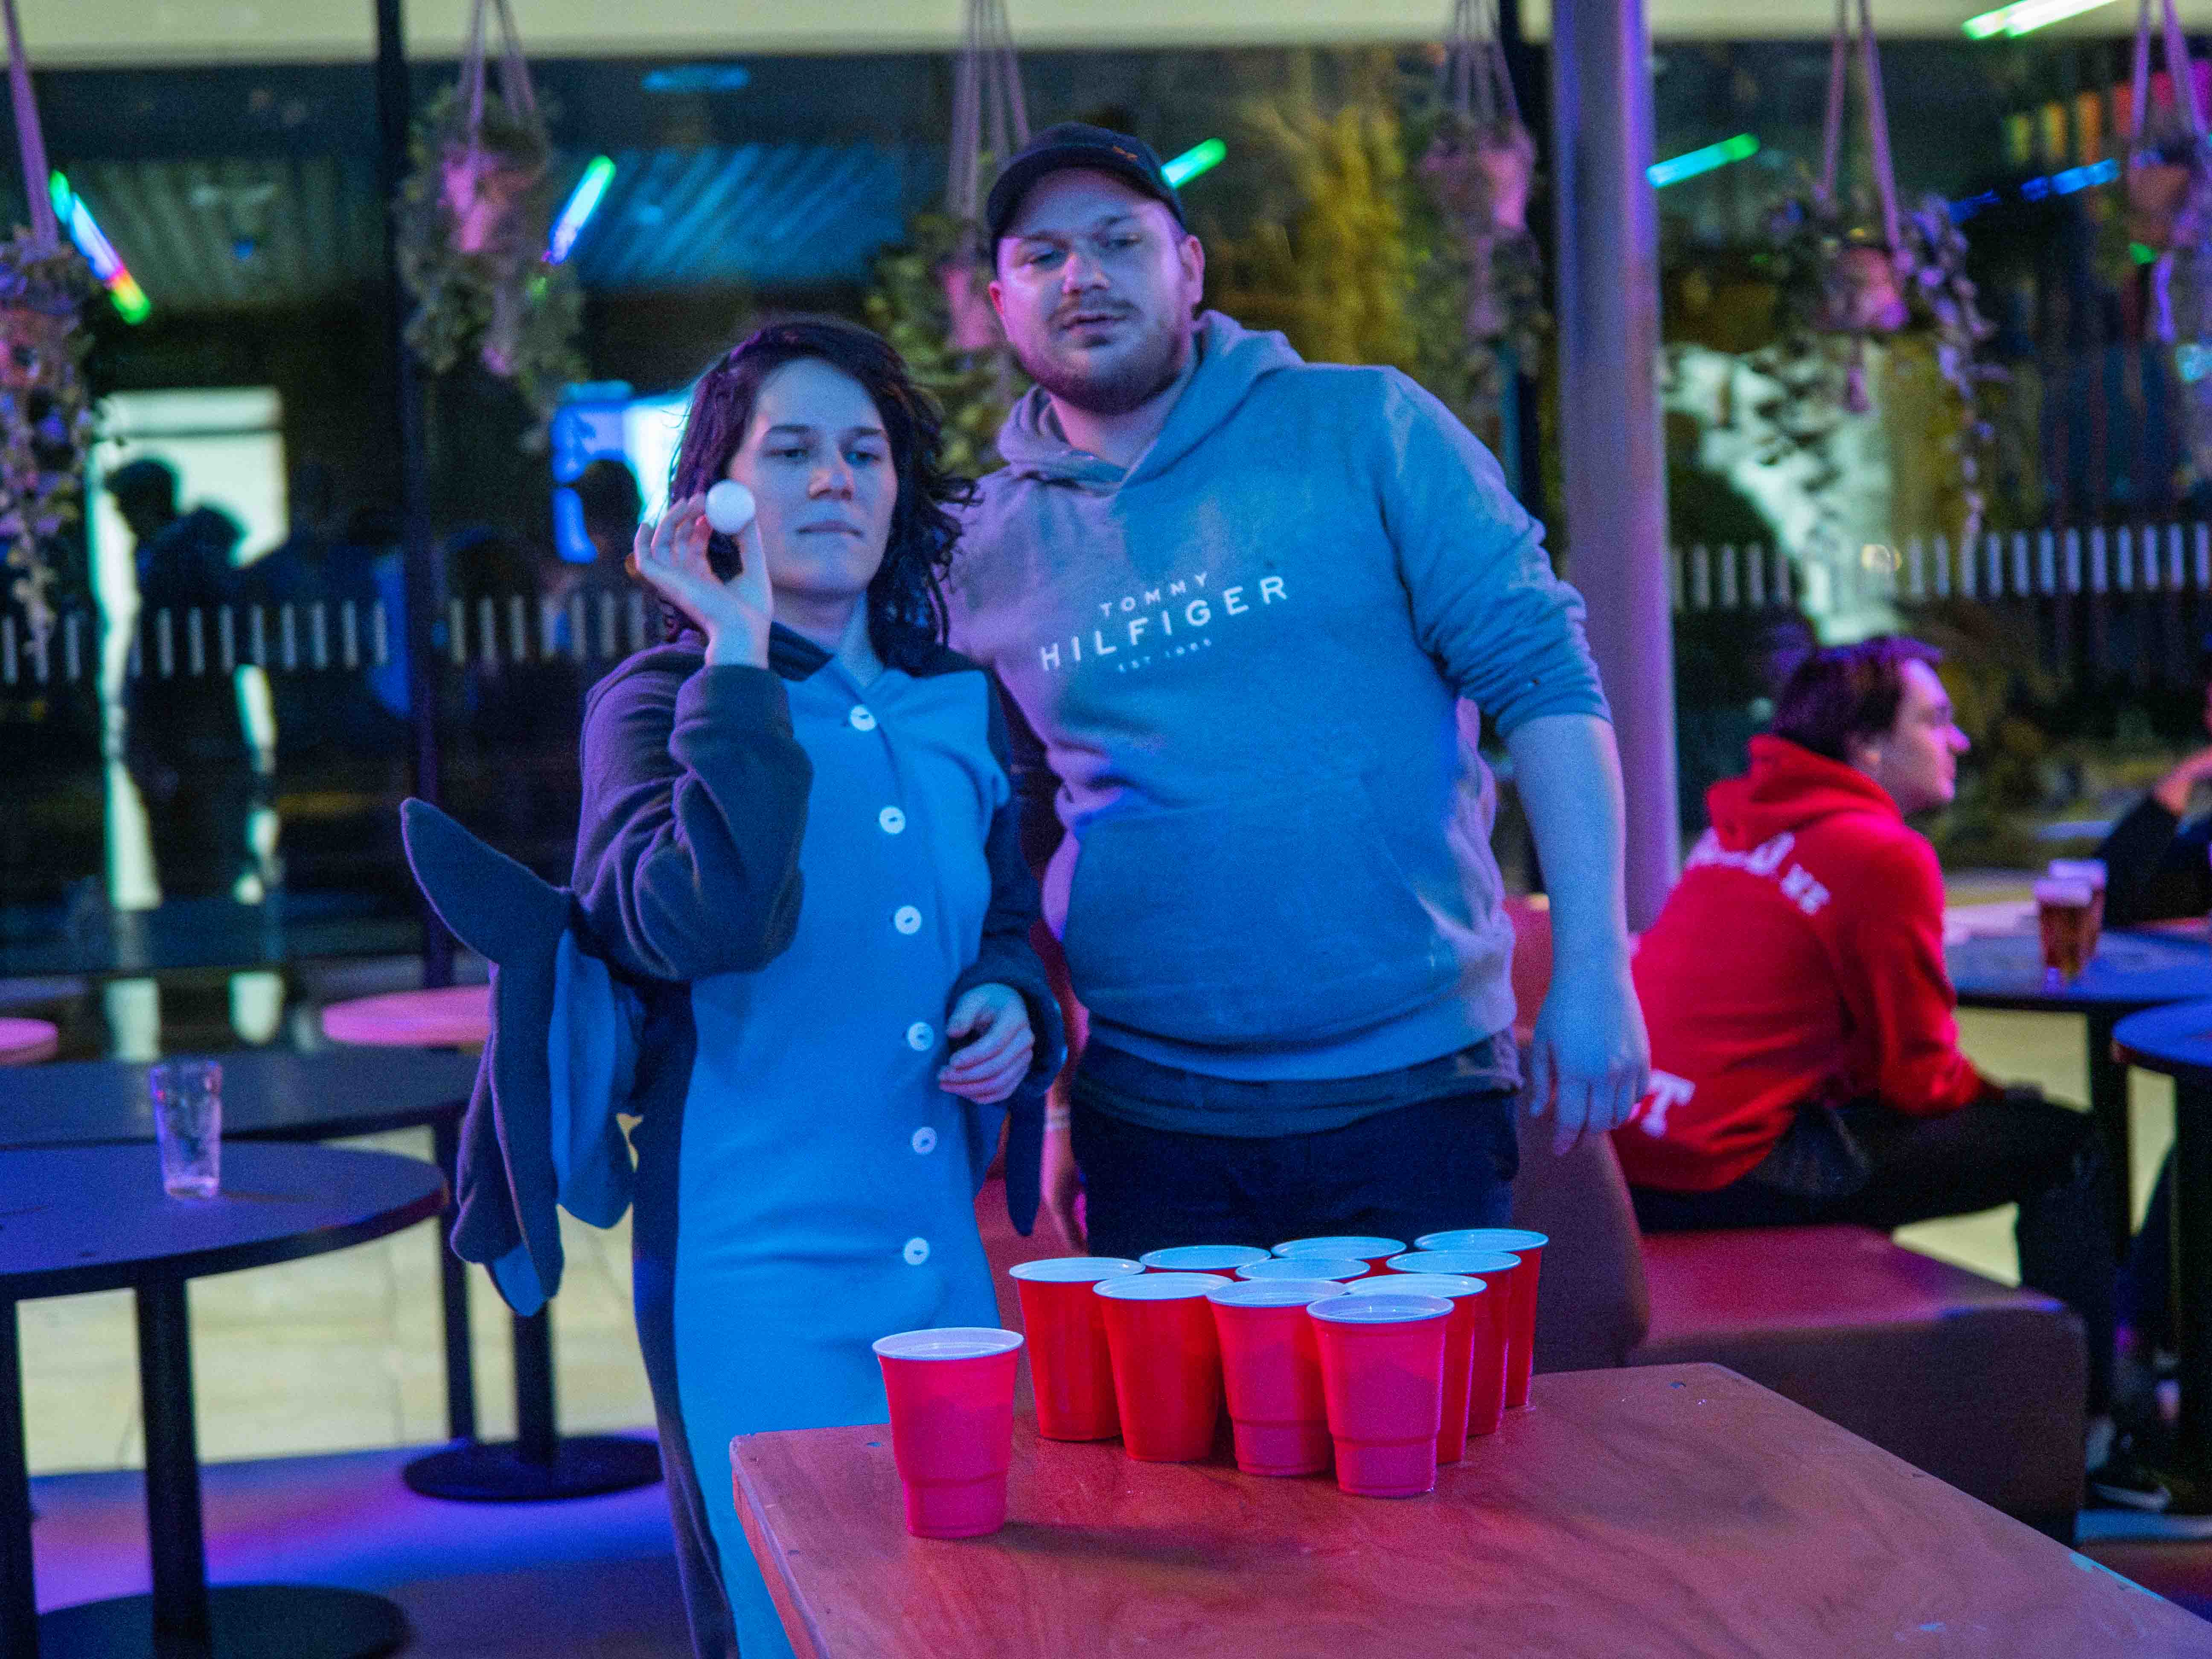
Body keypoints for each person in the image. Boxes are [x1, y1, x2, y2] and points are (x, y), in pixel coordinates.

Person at [947, 124, 1647, 1260]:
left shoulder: (1367, 427)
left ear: (1190, 267)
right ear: (998, 303)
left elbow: (1546, 682)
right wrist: (1063, 1101)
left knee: (1419, 1391)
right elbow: (1015, 829)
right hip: (1153, 1118)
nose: (1082, 277)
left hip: (1416, 1091)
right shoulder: (984, 545)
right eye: (1044, 256)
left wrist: (1595, 969)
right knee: (1182, 1397)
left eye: (1119, 242)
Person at [573, 317, 1060, 1659]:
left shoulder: (958, 701)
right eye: (789, 452)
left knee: (964, 1617)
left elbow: (1006, 922)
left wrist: (1011, 1004)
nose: (834, 479)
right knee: (795, 1621)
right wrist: (734, 646)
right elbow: (701, 925)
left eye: (864, 451)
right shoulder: (654, 702)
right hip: (752, 1268)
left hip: (940, 1269)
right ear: (717, 494)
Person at [1617, 636, 2156, 1507]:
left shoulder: (1737, 831)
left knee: (1938, 1124)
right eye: (1935, 720)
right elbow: (1920, 1081)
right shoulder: (1880, 851)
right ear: (1865, 746)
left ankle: (2032, 1406)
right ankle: (2089, 1440)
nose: (1958, 740)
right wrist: (2000, 1098)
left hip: (1642, 1160)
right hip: (1731, 1167)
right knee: (2067, 1143)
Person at [106, 457, 259, 900]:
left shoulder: (189, 562)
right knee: (185, 873)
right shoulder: (162, 560)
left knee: (201, 875)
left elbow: (203, 650)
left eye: (128, 507)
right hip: (180, 744)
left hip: (197, 744)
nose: (124, 520)